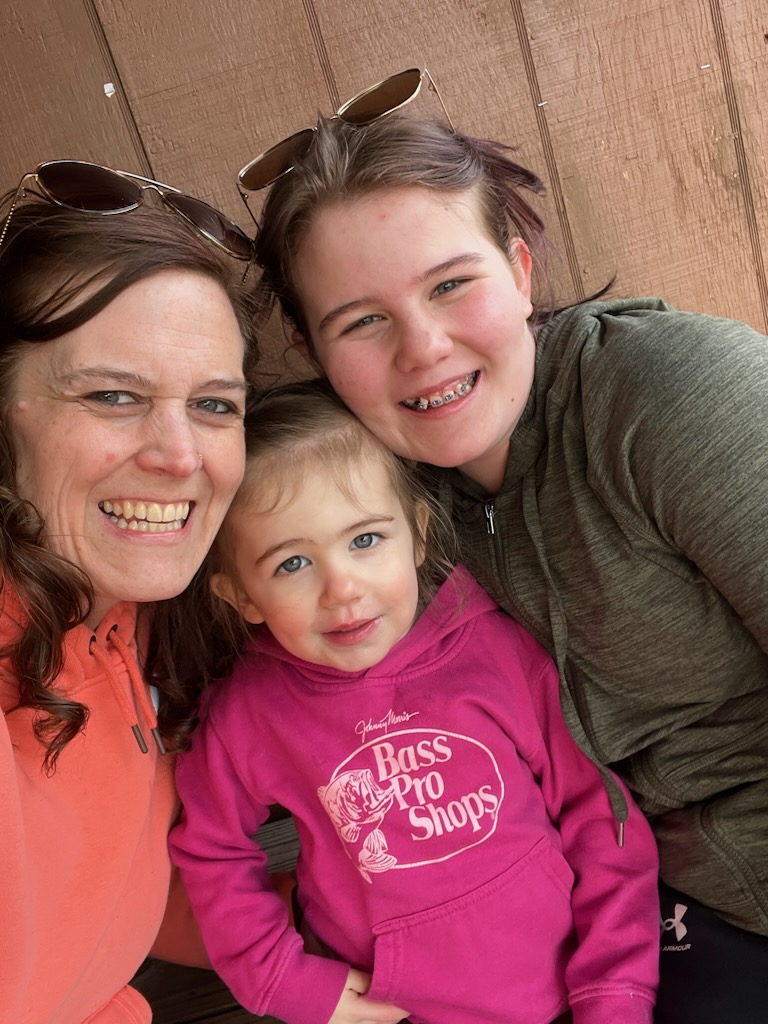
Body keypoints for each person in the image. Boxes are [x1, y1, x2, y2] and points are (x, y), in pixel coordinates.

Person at [246, 96, 768, 1022]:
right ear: (312, 352)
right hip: (625, 927)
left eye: (450, 284)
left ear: (520, 270)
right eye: (361, 321)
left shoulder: (670, 396)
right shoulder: (368, 514)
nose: (424, 348)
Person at [168, 378, 660, 1024]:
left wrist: (615, 992)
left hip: (571, 995)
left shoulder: (498, 650)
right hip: (391, 1009)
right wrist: (283, 979)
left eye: (366, 540)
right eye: (292, 564)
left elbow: (601, 814)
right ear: (241, 596)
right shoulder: (250, 716)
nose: (342, 589)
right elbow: (211, 850)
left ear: (418, 535)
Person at [0, 161, 258, 1024]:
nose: (181, 457)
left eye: (216, 407)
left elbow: (122, 896)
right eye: (114, 396)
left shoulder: (120, 615)